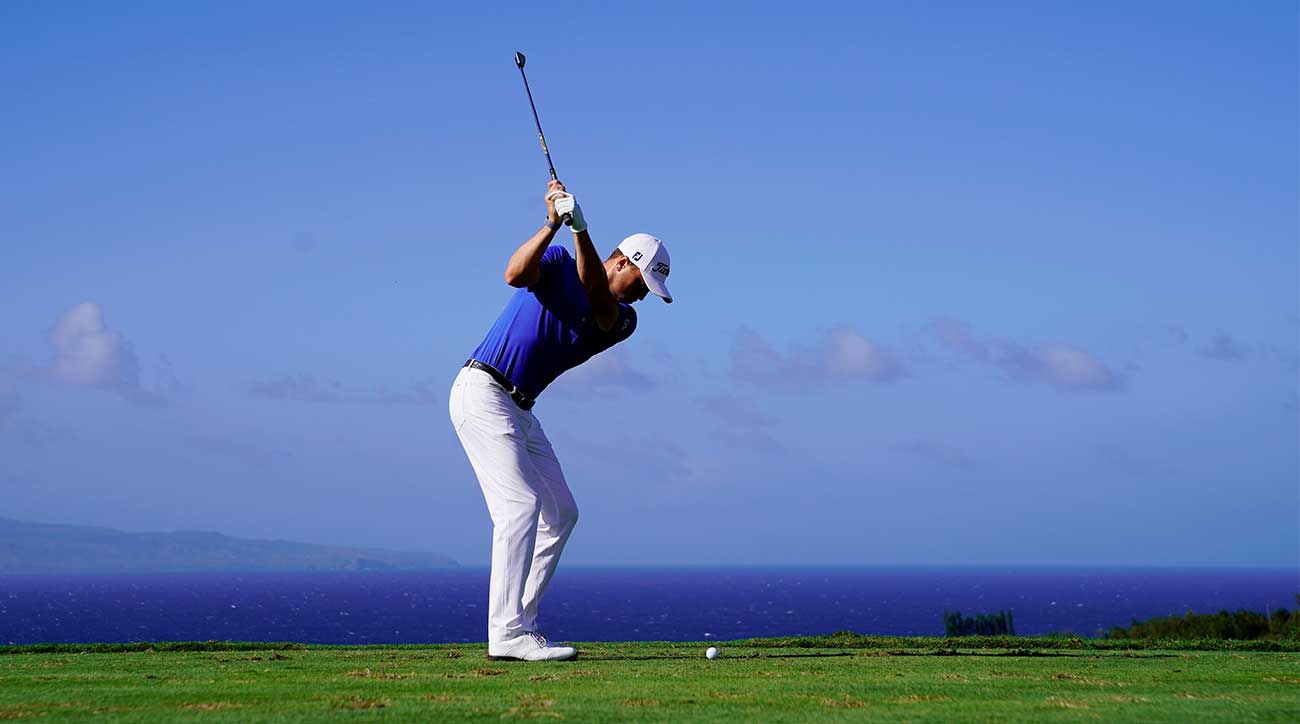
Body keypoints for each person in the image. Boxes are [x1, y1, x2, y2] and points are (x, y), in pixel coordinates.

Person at [448, 179, 673, 661]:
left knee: (562, 513)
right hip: (482, 390)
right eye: (643, 283)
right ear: (622, 263)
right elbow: (512, 274)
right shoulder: (555, 263)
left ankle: (521, 624)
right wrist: (553, 223)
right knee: (519, 507)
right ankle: (505, 634)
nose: (646, 296)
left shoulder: (623, 319)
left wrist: (581, 228)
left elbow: (598, 299)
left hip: (519, 406)